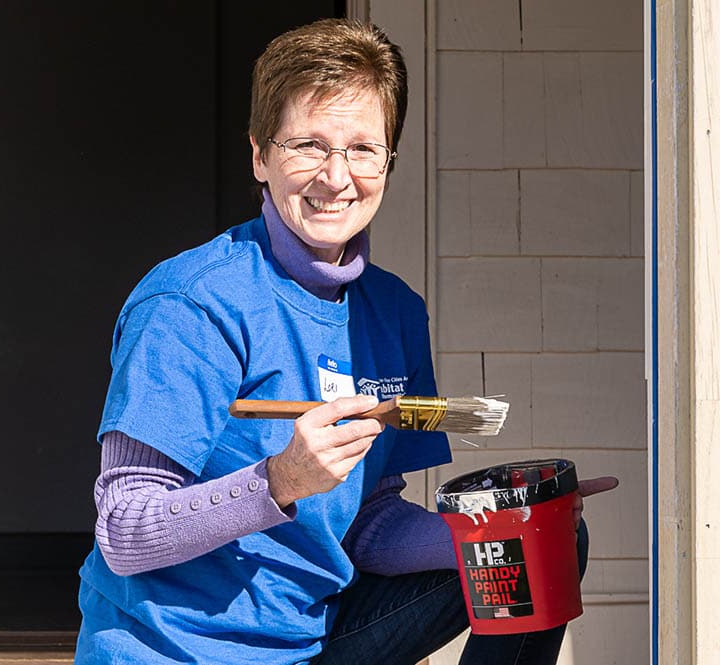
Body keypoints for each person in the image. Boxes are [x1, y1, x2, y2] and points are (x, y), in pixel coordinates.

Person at [75, 18, 617, 664]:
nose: (337, 176)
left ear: (388, 159)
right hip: (174, 649)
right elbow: (124, 529)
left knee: (539, 548)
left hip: (312, 639)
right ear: (259, 155)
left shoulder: (393, 313)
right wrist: (279, 479)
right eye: (308, 145)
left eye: (362, 148)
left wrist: (500, 530)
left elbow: (369, 523)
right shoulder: (191, 302)